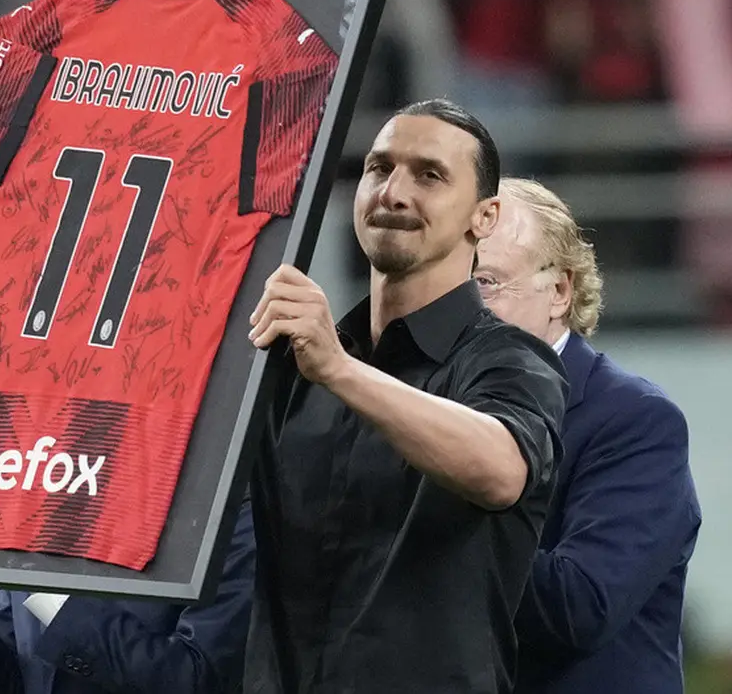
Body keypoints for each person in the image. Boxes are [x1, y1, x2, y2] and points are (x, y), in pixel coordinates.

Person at [243, 99, 568, 693]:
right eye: (379, 168)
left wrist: (340, 371)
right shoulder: (294, 362)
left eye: (430, 175)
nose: (393, 193)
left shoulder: (510, 359)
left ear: (485, 217)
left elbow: (501, 471)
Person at [0, 263, 255, 694]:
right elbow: (12, 681)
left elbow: (194, 679)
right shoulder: (37, 488)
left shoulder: (226, 506)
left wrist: (51, 591)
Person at [473, 177, 701, 694]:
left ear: (559, 291)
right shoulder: (425, 402)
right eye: (450, 284)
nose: (464, 306)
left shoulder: (635, 420)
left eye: (486, 281)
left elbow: (580, 608)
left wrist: (438, 506)